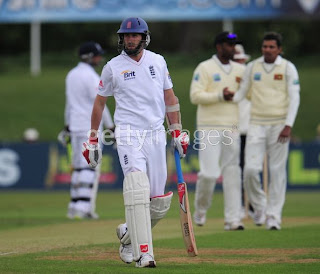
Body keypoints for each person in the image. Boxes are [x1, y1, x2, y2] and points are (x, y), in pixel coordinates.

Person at [82, 17, 188, 268]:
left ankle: (128, 236)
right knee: (137, 189)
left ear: (144, 37)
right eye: (126, 36)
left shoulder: (158, 61)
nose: (129, 39)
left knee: (159, 203)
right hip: (129, 133)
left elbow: (170, 97)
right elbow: (99, 102)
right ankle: (145, 254)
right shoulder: (112, 67)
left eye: (135, 36)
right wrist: (93, 137)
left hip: (155, 133)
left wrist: (177, 130)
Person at [225, 32, 300, 230]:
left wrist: (288, 125)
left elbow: (295, 98)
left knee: (277, 172)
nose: (267, 50)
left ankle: (274, 216)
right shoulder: (252, 67)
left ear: (279, 49)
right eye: (265, 47)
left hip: (279, 124)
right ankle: (260, 207)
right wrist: (228, 97)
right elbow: (242, 93)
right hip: (256, 124)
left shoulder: (287, 68)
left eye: (271, 47)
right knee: (250, 170)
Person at [190, 32, 245, 231]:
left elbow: (247, 95)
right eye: (229, 45)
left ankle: (233, 219)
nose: (233, 48)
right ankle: (200, 209)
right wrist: (220, 95)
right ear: (219, 47)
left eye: (234, 45)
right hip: (209, 126)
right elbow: (195, 96)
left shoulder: (241, 69)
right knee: (210, 174)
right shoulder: (205, 68)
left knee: (232, 172)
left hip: (232, 126)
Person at [59, 41, 114, 220]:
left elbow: (69, 103)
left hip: (75, 125)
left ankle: (74, 206)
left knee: (78, 167)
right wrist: (110, 126)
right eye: (97, 55)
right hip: (90, 127)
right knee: (90, 167)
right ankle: (84, 207)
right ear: (90, 57)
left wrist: (67, 123)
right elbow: (100, 104)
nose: (100, 58)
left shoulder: (71, 75)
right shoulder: (90, 77)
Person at [233, 44, 254, 219]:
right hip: (234, 130)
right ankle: (240, 205)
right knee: (237, 169)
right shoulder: (229, 77)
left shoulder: (252, 76)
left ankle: (253, 205)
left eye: (242, 60)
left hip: (251, 129)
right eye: (237, 60)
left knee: (251, 169)